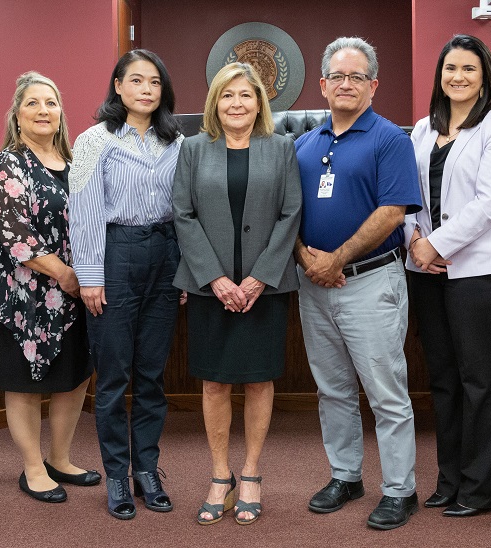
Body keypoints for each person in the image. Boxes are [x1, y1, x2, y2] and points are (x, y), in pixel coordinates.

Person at [294, 36, 422, 530]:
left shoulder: (390, 140)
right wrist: (306, 258)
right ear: (323, 84)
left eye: (357, 76)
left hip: (370, 282)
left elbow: (392, 211)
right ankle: (346, 476)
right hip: (314, 285)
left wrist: (338, 258)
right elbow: (287, 213)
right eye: (337, 76)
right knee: (332, 389)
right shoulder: (304, 145)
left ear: (373, 85)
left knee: (386, 393)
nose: (346, 84)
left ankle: (400, 489)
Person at [172, 62, 302, 526]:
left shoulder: (281, 148)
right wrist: (215, 278)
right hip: (211, 290)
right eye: (227, 95)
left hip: (264, 289)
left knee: (259, 381)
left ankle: (250, 473)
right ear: (215, 102)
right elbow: (183, 214)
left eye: (246, 95)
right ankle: (219, 475)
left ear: (259, 102)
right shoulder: (192, 149)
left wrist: (260, 277)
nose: (237, 103)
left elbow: (291, 213)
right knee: (214, 383)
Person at [403, 35, 491, 517]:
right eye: (450, 68)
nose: (458, 76)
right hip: (426, 271)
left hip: (480, 272)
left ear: (484, 76)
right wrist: (415, 241)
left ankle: (481, 489)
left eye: (469, 69)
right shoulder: (421, 129)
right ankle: (449, 481)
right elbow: (406, 195)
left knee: (478, 380)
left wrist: (436, 244)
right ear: (440, 75)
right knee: (444, 380)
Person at [69, 49, 183, 521]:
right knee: (114, 376)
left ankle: (147, 470)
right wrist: (90, 276)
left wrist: (185, 270)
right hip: (115, 255)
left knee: (152, 375)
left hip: (165, 256)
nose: (146, 90)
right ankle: (117, 474)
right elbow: (84, 211)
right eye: (136, 80)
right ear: (117, 86)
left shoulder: (177, 141)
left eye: (154, 82)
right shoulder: (93, 140)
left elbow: (185, 209)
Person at [0, 72, 99, 503]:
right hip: (21, 294)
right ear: (17, 115)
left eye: (51, 102)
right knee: (23, 381)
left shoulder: (75, 163)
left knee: (74, 377)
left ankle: (60, 458)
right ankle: (32, 468)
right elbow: (14, 234)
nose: (43, 110)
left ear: (61, 112)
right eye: (32, 103)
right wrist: (64, 274)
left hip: (75, 293)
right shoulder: (7, 163)